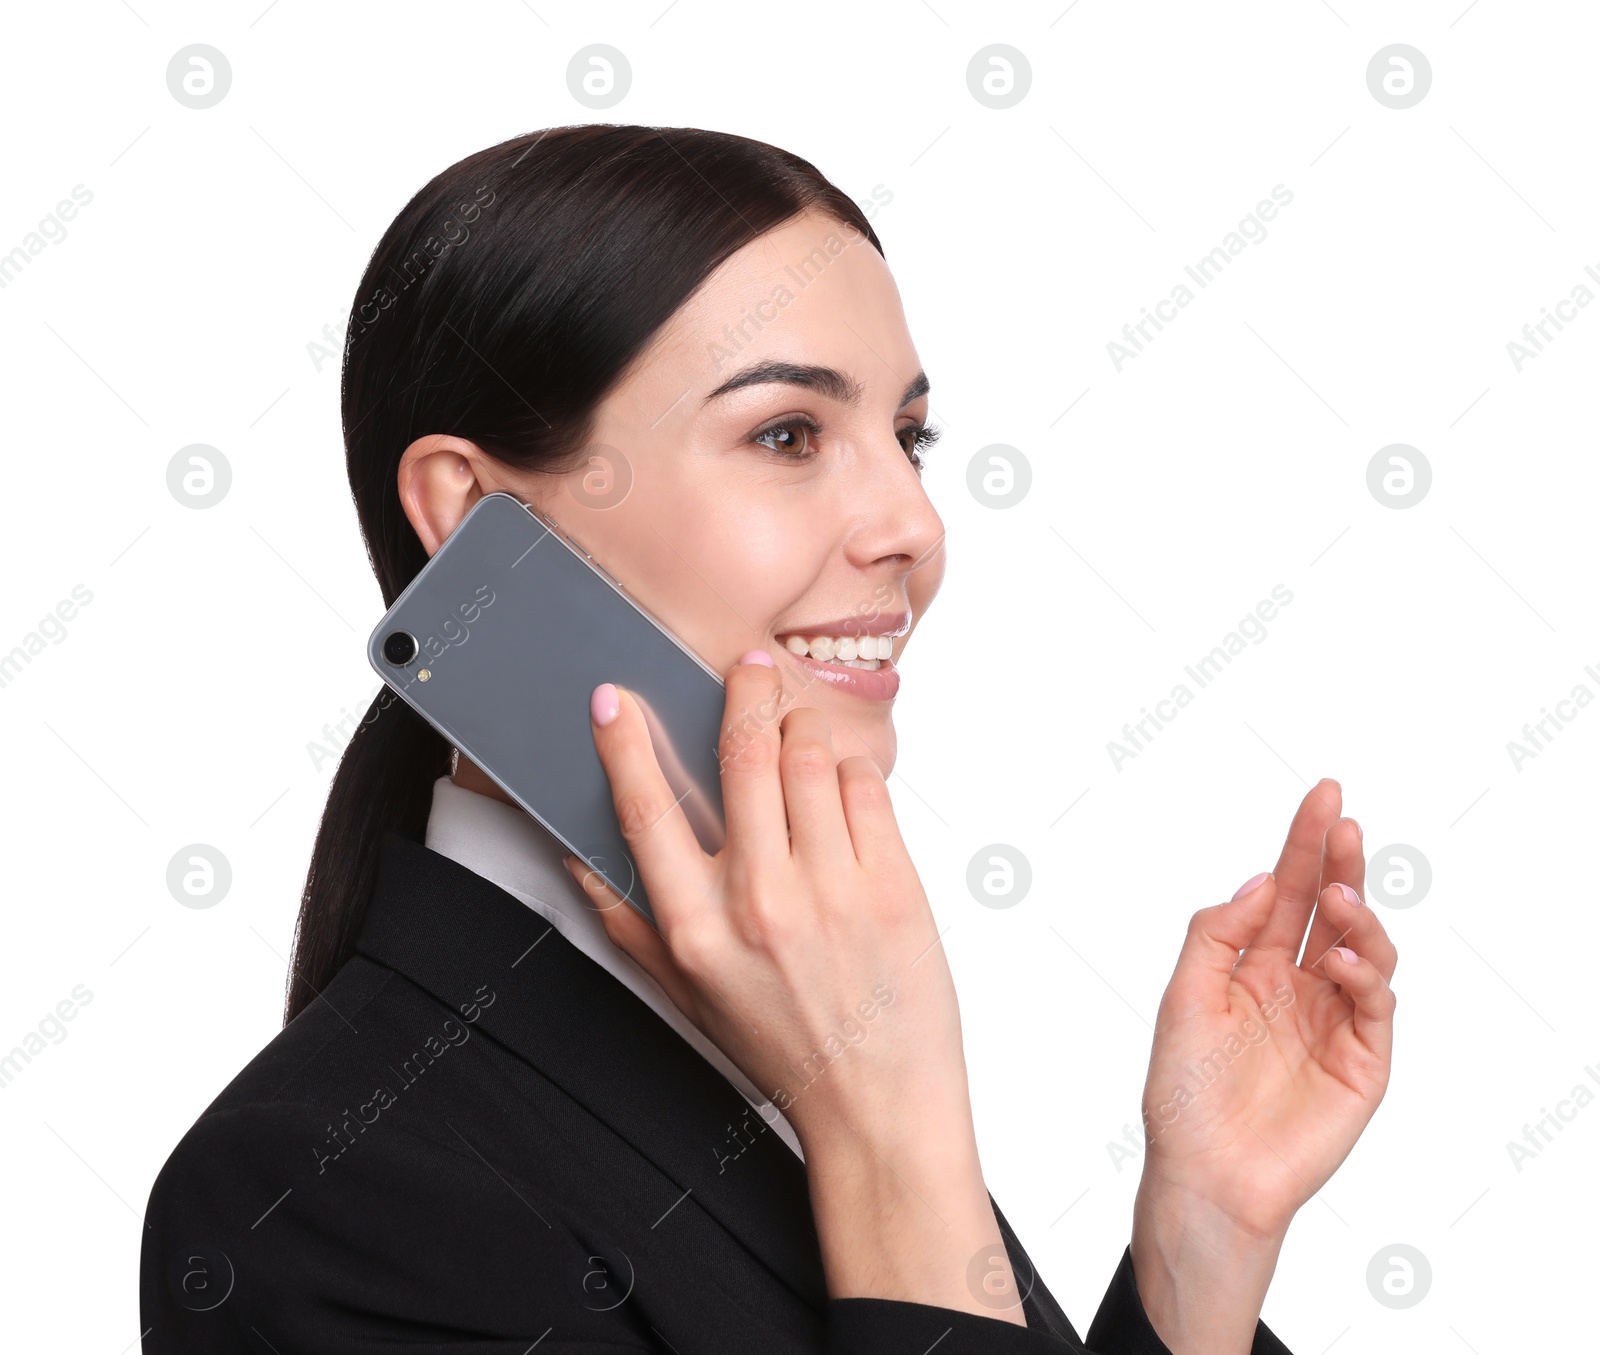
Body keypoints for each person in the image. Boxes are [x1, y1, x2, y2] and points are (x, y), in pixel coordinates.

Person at [141, 124, 1398, 1354]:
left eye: (909, 439)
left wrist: (1198, 1248)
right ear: (473, 514)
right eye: (787, 433)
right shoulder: (317, 1191)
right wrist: (888, 1135)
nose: (912, 522)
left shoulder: (781, 1008)